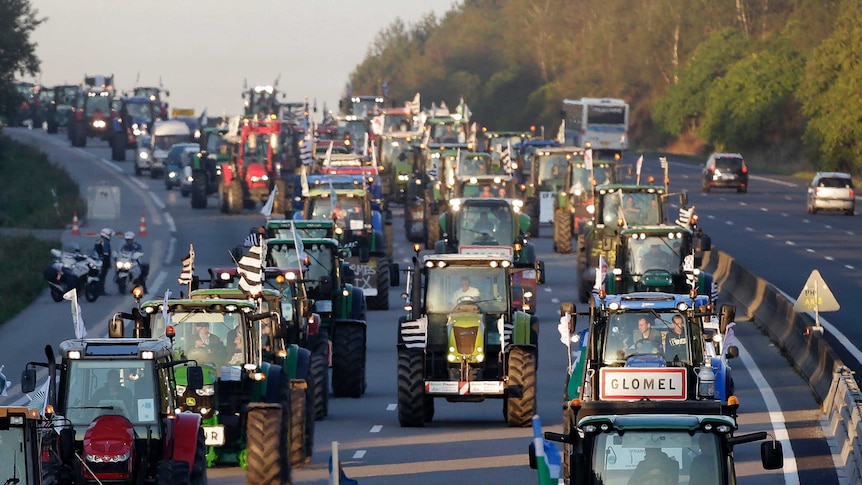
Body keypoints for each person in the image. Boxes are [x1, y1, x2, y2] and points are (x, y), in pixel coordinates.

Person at [94, 228, 113, 295]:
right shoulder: (105, 242)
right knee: (102, 276)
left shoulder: (99, 240)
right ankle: (100, 290)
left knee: (98, 275)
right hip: (103, 261)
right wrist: (107, 263)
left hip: (97, 260)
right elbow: (106, 253)